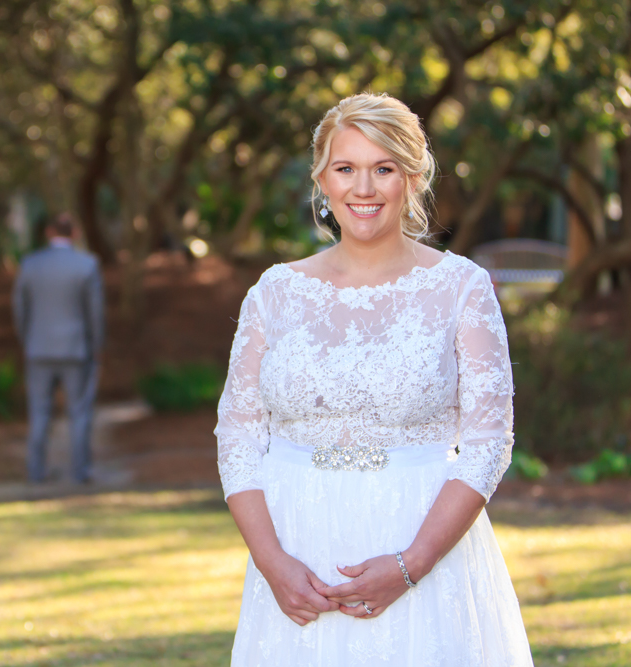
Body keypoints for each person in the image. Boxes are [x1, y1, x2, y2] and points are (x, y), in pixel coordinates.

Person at [215, 93, 534, 666]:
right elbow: (237, 440)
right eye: (346, 168)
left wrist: (412, 564)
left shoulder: (462, 288)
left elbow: (489, 443)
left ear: (411, 178)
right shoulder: (275, 292)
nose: (363, 188)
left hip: (421, 545)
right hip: (296, 549)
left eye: (383, 169)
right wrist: (273, 563)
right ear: (323, 180)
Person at [13, 213, 104, 484]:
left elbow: (20, 308)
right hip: (76, 350)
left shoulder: (30, 264)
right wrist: (97, 346)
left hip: (38, 349)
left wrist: (26, 339)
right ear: (74, 233)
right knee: (79, 412)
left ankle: (36, 472)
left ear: (49, 232)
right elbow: (95, 313)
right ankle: (80, 473)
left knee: (39, 411)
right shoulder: (87, 265)